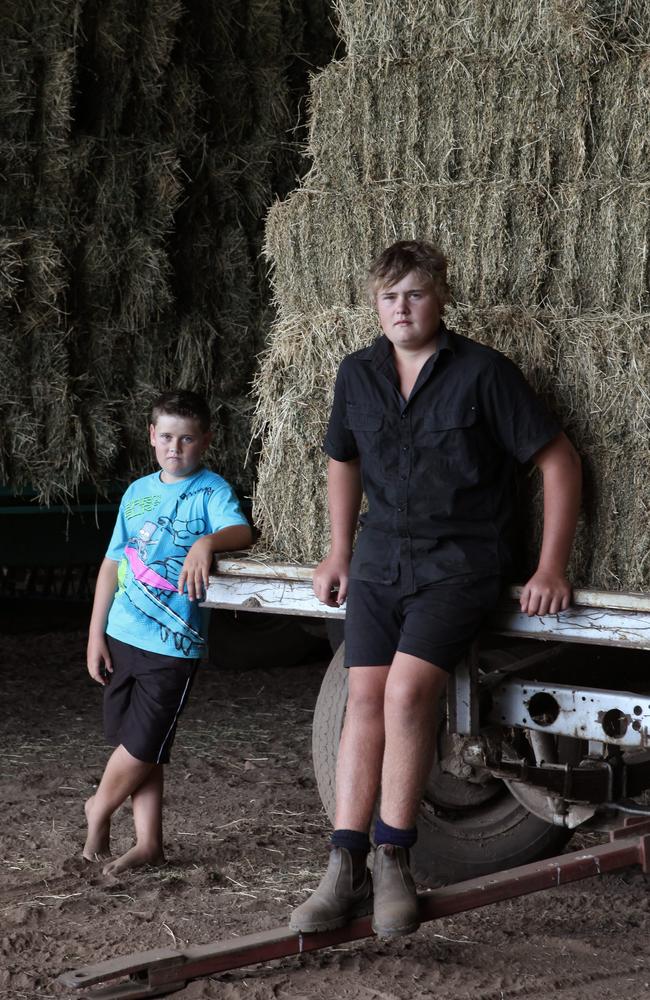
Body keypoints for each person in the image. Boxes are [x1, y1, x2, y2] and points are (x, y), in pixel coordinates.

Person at [289, 240, 581, 938]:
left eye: (415, 294)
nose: (402, 308)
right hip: (383, 561)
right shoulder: (356, 374)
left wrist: (550, 567)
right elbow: (341, 460)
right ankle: (343, 866)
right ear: (374, 302)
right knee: (362, 695)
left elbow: (558, 458)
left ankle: (395, 860)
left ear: (440, 297)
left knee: (406, 692)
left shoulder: (482, 373)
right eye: (390, 296)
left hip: (461, 563)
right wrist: (339, 551)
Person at [84, 389, 253, 875]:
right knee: (145, 745)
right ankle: (149, 842)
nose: (174, 448)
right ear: (151, 437)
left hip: (171, 644)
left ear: (205, 441)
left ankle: (97, 808)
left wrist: (207, 541)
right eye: (165, 437)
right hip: (122, 632)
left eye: (187, 439)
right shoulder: (137, 492)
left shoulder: (211, 491)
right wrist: (95, 633)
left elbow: (243, 532)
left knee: (142, 743)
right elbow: (113, 563)